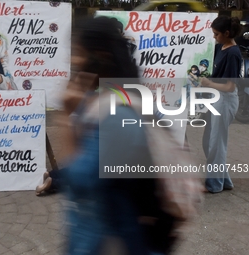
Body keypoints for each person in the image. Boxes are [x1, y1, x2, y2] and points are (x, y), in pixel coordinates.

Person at [61, 16, 178, 255]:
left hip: (115, 239)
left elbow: (82, 177)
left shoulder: (116, 111)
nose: (73, 61)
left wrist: (64, 118)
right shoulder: (105, 98)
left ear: (101, 56)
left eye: (79, 52)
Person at [200, 15, 242, 193]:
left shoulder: (233, 53)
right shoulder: (220, 48)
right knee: (208, 141)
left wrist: (208, 84)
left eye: (216, 34)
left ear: (226, 33)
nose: (214, 37)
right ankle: (224, 181)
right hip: (215, 99)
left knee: (216, 144)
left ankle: (214, 184)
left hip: (225, 100)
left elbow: (230, 86)